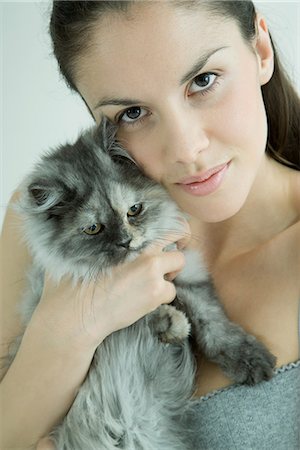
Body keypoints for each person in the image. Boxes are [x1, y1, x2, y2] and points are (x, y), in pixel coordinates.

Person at [1, 1, 299, 449]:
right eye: (132, 113)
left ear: (260, 49)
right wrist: (61, 334)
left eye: (203, 81)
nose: (185, 148)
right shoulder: (43, 223)